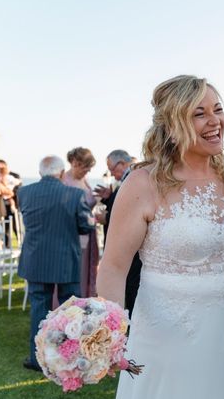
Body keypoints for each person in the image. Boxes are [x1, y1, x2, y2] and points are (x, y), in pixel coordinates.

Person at [98, 75, 224, 399]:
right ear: (173, 123)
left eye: (218, 109)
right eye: (199, 113)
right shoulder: (143, 183)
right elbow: (114, 266)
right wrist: (111, 334)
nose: (215, 121)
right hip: (166, 331)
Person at [18, 155, 95, 371]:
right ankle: (68, 356)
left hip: (35, 260)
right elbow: (86, 226)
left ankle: (37, 358)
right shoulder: (75, 194)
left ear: (40, 172)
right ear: (61, 173)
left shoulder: (23, 192)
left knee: (38, 308)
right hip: (65, 260)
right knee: (70, 310)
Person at [94, 149, 142, 313]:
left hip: (133, 253)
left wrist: (105, 220)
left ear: (121, 163)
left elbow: (130, 213)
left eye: (112, 168)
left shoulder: (133, 178)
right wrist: (108, 198)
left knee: (131, 291)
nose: (111, 173)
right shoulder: (128, 178)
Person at [62, 147, 99, 298]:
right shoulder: (64, 181)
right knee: (75, 272)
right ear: (75, 163)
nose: (87, 171)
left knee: (86, 270)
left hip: (88, 232)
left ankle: (83, 301)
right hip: (72, 234)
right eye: (85, 167)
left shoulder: (85, 180)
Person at [0, 159, 22, 247]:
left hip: (12, 204)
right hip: (2, 204)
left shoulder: (13, 176)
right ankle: (6, 245)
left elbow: (18, 188)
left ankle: (21, 244)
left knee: (16, 226)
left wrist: (9, 193)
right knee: (4, 227)